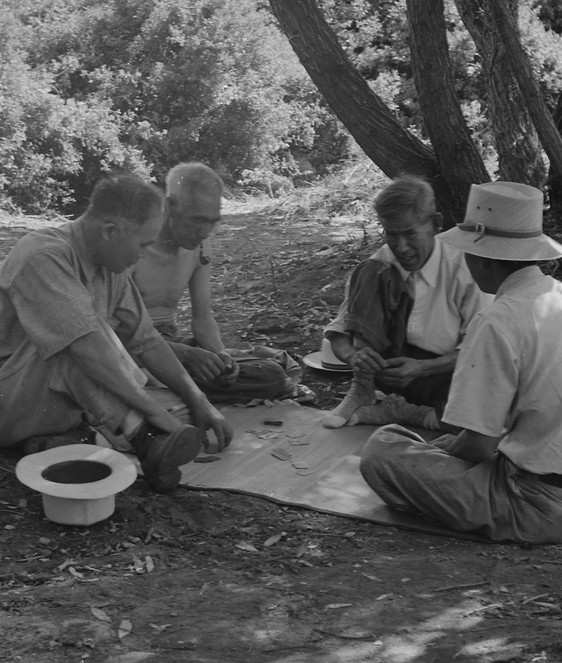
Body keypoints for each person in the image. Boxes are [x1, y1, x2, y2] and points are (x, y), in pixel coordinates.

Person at [0, 175, 233, 493]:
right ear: (110, 231)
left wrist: (199, 399)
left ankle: (75, 438)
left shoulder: (111, 267)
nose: (145, 254)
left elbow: (147, 339)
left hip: (45, 402)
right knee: (80, 340)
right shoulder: (42, 254)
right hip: (8, 401)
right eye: (143, 244)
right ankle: (144, 439)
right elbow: (84, 346)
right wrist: (154, 414)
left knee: (160, 395)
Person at [360, 181, 562, 544]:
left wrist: (447, 450)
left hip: (536, 502)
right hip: (542, 470)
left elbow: (479, 449)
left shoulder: (498, 319)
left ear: (480, 257)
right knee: (441, 442)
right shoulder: (555, 296)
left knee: (381, 449)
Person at [322, 175, 490, 428]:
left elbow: (479, 350)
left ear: (435, 224)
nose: (401, 247)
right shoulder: (381, 264)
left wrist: (424, 367)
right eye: (391, 235)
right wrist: (353, 358)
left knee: (478, 423)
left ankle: (405, 412)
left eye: (410, 234)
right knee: (372, 270)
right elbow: (338, 332)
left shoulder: (465, 269)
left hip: (444, 374)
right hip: (389, 369)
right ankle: (363, 389)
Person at [132, 162, 302, 403]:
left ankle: (174, 390)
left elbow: (202, 318)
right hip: (134, 349)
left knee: (271, 373)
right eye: (198, 220)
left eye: (213, 221)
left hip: (171, 343)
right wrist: (183, 354)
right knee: (132, 378)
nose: (206, 232)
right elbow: (113, 329)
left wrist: (219, 354)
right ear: (170, 206)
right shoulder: (133, 246)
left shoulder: (200, 247)